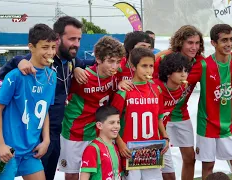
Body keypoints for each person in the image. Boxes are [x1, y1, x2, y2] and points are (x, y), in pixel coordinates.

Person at [0, 16, 87, 180]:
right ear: (58, 39)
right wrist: (18, 61)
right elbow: (3, 74)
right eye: (72, 38)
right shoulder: (37, 62)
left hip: (53, 134)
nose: (77, 43)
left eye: (79, 39)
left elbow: (95, 62)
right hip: (32, 135)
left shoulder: (70, 60)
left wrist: (78, 68)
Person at [0, 24, 57, 179]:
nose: (50, 52)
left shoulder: (52, 77)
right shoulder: (15, 76)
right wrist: (0, 144)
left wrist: (46, 140)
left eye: (53, 47)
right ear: (31, 47)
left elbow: (44, 111)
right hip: (7, 150)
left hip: (31, 151)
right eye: (45, 47)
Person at [58, 36, 125, 180]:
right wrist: (75, 68)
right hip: (75, 132)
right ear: (99, 59)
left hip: (99, 132)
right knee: (72, 174)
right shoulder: (83, 77)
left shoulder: (116, 75)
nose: (115, 66)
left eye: (117, 62)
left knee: (99, 171)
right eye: (110, 61)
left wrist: (121, 85)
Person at [187, 24, 232, 179]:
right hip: (207, 124)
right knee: (208, 166)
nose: (229, 44)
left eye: (231, 39)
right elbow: (182, 83)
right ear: (213, 43)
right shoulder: (203, 65)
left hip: (229, 123)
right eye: (224, 40)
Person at [111, 48, 169, 180]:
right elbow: (112, 121)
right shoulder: (124, 91)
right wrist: (120, 143)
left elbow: (159, 118)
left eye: (151, 66)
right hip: (130, 149)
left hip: (152, 149)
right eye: (144, 66)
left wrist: (165, 137)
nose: (148, 70)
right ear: (133, 66)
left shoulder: (157, 89)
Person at [154, 52, 195, 180]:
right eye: (179, 71)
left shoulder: (182, 87)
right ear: (168, 73)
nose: (184, 74)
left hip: (161, 136)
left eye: (186, 70)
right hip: (149, 138)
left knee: (170, 176)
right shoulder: (155, 88)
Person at [80, 105, 122, 180]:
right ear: (99, 125)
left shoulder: (115, 147)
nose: (116, 126)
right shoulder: (92, 149)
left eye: (118, 122)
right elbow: (84, 177)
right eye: (112, 123)